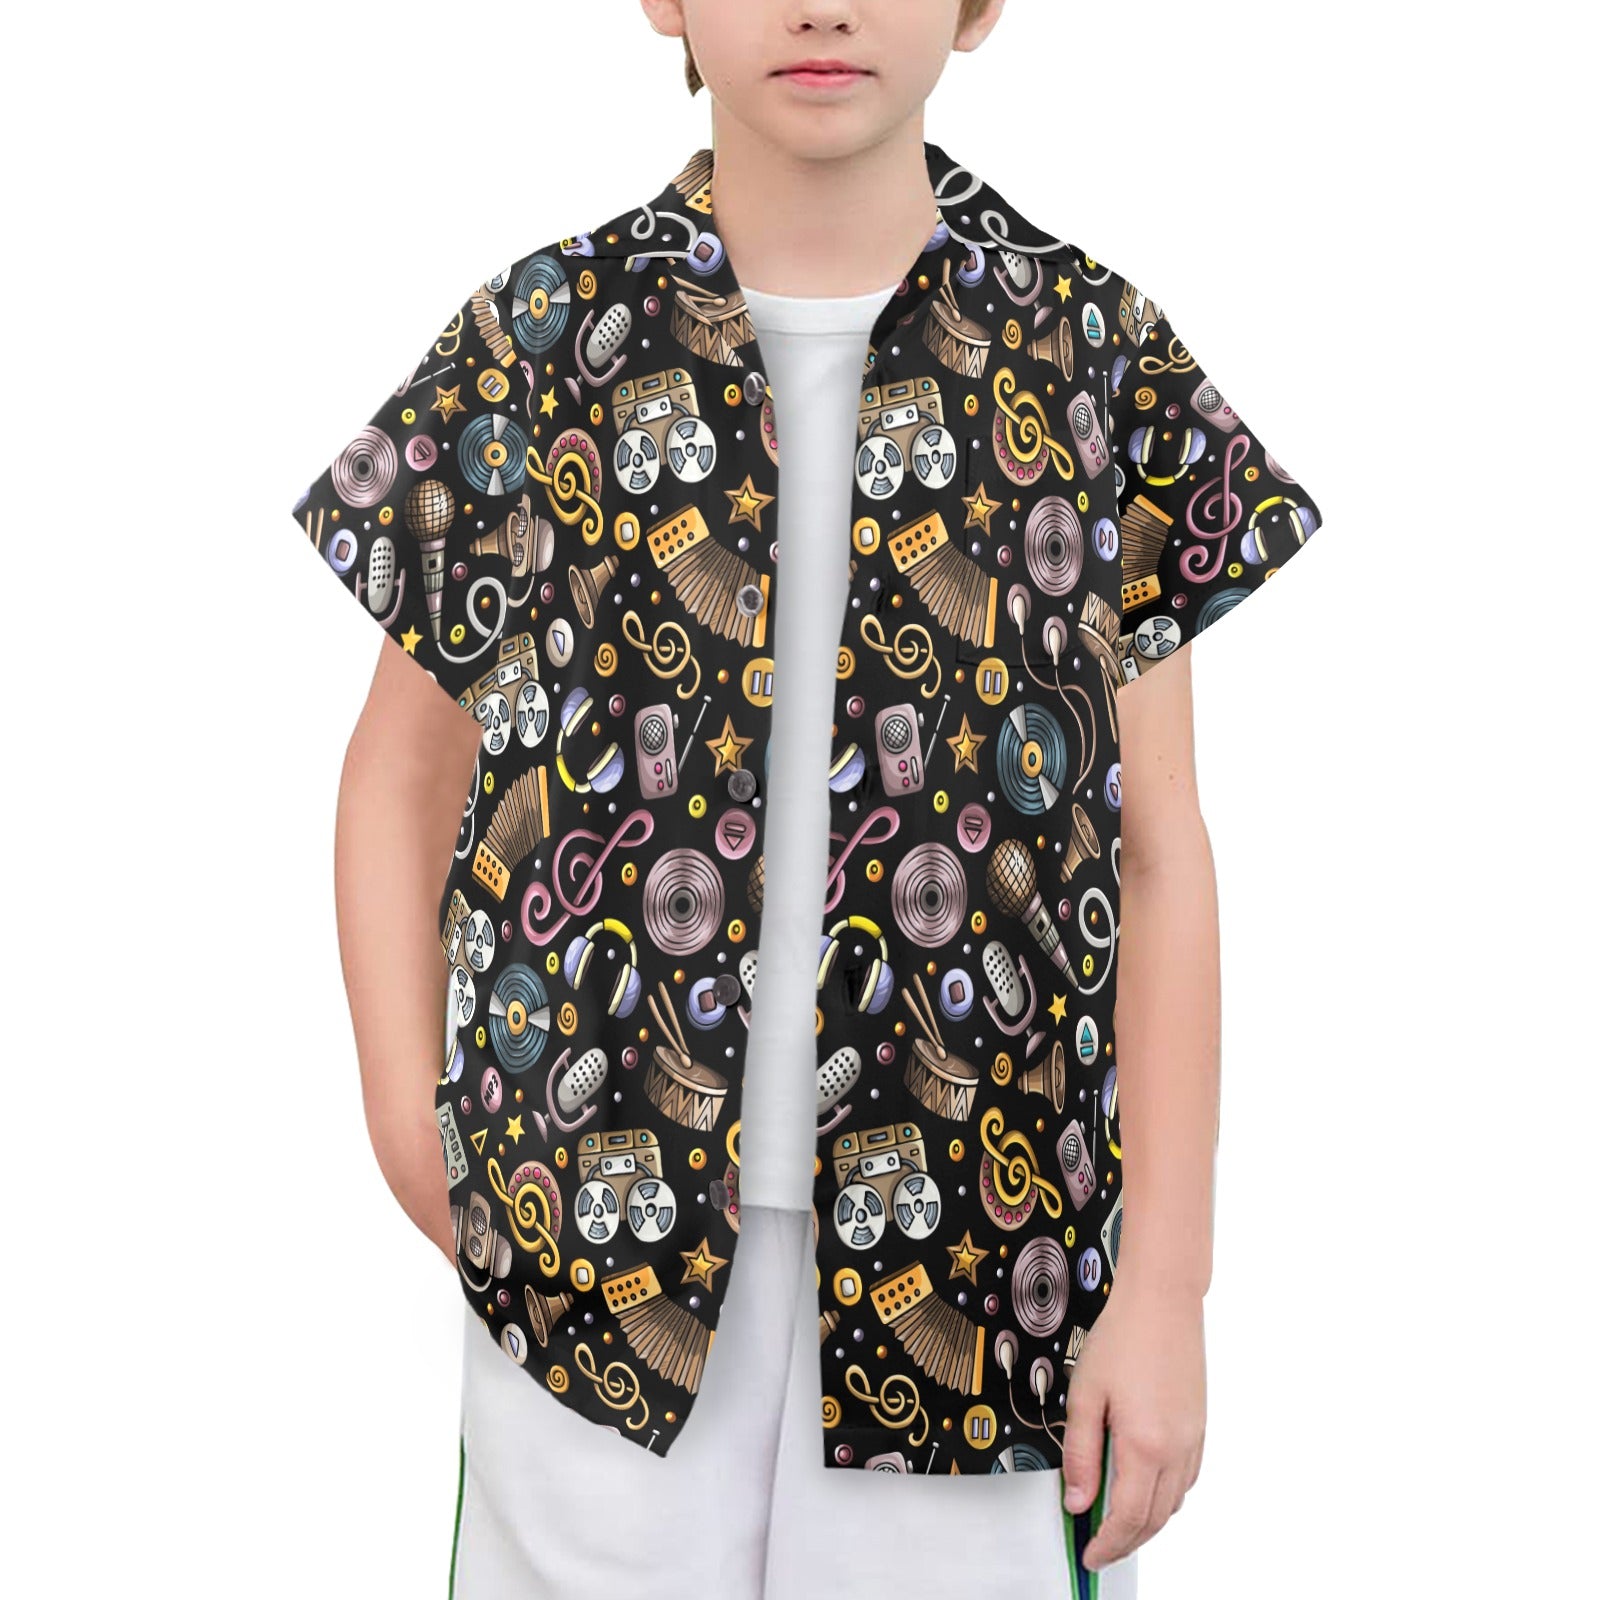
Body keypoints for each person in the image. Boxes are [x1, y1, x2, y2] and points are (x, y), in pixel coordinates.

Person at [285, 3, 1326, 1596]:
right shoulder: (539, 341)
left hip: (989, 1267)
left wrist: (1169, 1288)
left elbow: (1160, 852)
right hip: (593, 1247)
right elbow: (398, 774)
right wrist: (408, 1128)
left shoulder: (1090, 351)